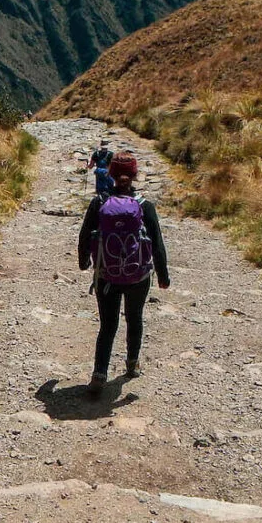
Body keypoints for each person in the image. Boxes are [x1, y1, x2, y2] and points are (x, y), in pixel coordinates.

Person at [77, 150, 170, 396]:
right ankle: (132, 364)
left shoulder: (99, 203)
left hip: (107, 274)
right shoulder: (144, 205)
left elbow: (85, 234)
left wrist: (84, 261)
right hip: (138, 275)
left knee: (108, 325)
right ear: (135, 174)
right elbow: (157, 243)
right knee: (135, 318)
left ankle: (99, 374)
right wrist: (163, 275)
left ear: (111, 174)